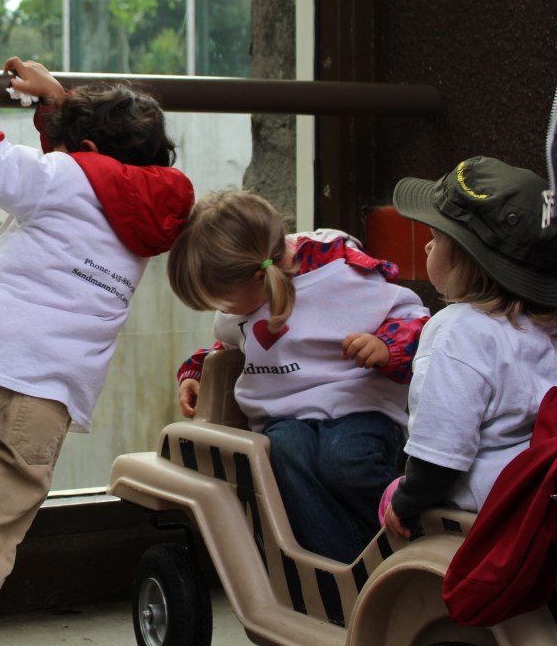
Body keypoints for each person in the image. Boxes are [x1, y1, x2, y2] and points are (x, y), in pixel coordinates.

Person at [0, 54, 195, 646]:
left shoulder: (60, 178)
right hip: (47, 398)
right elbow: (99, 174)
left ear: (83, 148)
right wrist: (59, 104)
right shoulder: (154, 219)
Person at [166, 189, 430, 563]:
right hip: (287, 417)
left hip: (358, 406)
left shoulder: (340, 278)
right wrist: (195, 372)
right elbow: (232, 344)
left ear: (257, 278)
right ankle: (347, 567)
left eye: (223, 300)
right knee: (282, 454)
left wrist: (387, 347)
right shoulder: (245, 302)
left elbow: (416, 320)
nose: (222, 310)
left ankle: (411, 536)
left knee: (345, 463)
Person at [381, 156, 557, 537]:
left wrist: (406, 503)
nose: (427, 247)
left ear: (468, 260)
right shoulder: (545, 325)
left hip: (479, 515)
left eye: (436, 238)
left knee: (389, 496)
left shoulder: (457, 332)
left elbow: (438, 454)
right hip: (535, 503)